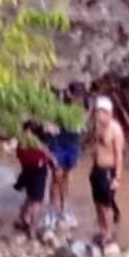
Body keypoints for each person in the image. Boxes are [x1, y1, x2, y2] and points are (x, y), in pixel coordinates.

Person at [44, 83, 85, 229]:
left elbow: (80, 132)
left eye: (79, 97)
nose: (77, 99)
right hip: (58, 146)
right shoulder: (59, 109)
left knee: (66, 178)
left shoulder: (80, 109)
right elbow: (50, 131)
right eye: (75, 96)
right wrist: (51, 153)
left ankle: (63, 209)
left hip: (72, 147)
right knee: (56, 177)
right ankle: (51, 212)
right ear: (69, 93)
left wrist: (78, 151)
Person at [89, 96, 125, 246]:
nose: (99, 114)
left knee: (106, 205)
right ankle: (102, 229)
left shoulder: (115, 129)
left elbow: (119, 155)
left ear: (109, 113)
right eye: (98, 111)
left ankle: (109, 232)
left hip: (108, 170)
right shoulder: (98, 126)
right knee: (97, 203)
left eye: (102, 112)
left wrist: (117, 178)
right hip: (96, 169)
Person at [14, 120, 52, 239]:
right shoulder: (39, 142)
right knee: (37, 201)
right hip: (37, 170)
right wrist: (52, 161)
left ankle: (22, 218)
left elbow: (19, 155)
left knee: (31, 196)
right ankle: (32, 229)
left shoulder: (22, 143)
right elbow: (47, 153)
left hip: (27, 170)